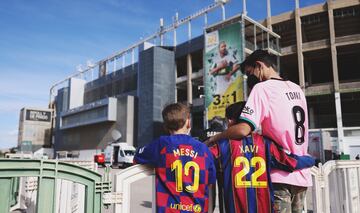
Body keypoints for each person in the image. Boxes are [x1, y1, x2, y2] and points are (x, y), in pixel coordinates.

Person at [206, 49, 311, 213]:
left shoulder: (263, 88)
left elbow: (243, 129)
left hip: (279, 173)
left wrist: (216, 137)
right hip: (302, 173)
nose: (249, 78)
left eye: (249, 73)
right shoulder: (297, 89)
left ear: (259, 66)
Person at [208, 101, 314, 213]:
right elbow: (290, 162)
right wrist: (311, 160)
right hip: (263, 208)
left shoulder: (222, 146)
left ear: (230, 121)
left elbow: (202, 160)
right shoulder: (265, 143)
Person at [134, 103, 216, 213]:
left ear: (166, 126)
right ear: (188, 122)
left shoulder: (161, 144)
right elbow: (210, 184)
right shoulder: (204, 150)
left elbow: (137, 157)